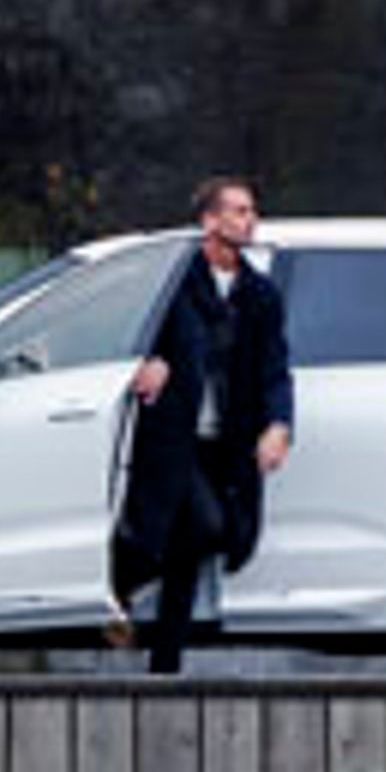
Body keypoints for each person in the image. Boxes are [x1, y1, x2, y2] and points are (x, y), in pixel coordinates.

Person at [111, 176, 294, 677]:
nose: (250, 220)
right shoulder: (173, 283)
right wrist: (148, 361)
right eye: (239, 211)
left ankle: (163, 663)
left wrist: (279, 424)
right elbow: (132, 335)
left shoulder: (260, 295)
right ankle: (117, 581)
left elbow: (275, 369)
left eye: (252, 210)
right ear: (209, 220)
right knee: (202, 527)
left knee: (189, 547)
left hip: (227, 444)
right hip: (174, 441)